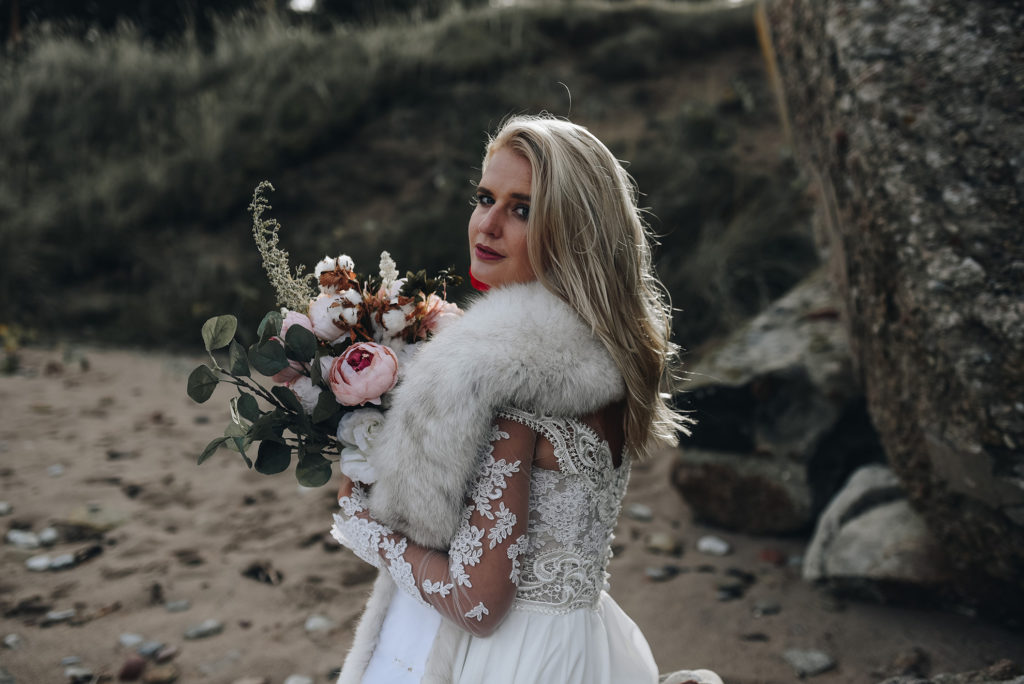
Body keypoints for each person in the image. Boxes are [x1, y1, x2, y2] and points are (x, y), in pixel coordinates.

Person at [330, 115, 722, 684]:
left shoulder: (511, 384)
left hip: (513, 662)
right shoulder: (605, 360)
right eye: (484, 198)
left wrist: (366, 527)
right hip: (582, 645)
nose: (487, 225)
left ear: (573, 232)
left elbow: (477, 603)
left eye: (522, 209)